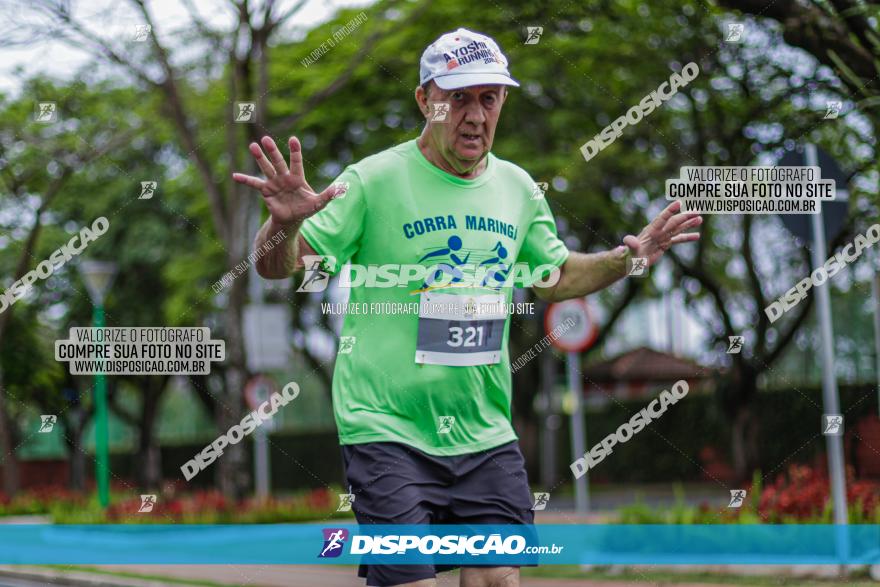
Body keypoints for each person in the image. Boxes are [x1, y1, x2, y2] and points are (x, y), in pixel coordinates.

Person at [233, 27, 702, 587]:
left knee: (498, 578)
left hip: (484, 433)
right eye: (458, 98)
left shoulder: (519, 189)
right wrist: (281, 226)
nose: (475, 115)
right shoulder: (372, 180)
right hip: (386, 429)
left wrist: (627, 259)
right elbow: (276, 266)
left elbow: (553, 276)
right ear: (424, 101)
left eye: (489, 97)